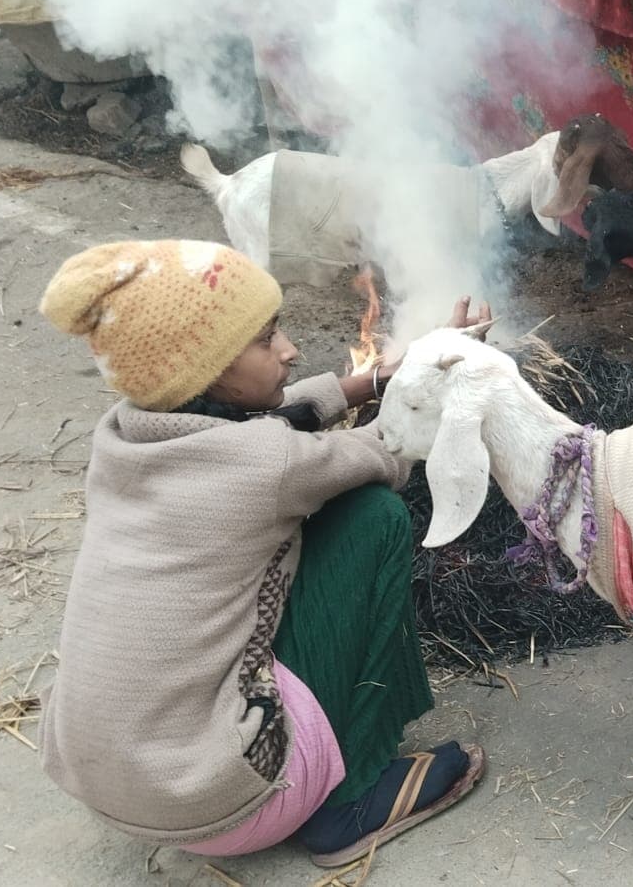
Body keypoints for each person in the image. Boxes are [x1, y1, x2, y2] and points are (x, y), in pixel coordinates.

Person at [35, 239, 491, 869]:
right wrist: (433, 376)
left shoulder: (123, 437)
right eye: (265, 339)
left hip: (117, 787)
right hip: (227, 800)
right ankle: (350, 802)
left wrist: (378, 375)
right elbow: (388, 446)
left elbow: (276, 421)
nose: (290, 350)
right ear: (206, 366)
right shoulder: (268, 464)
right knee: (373, 517)